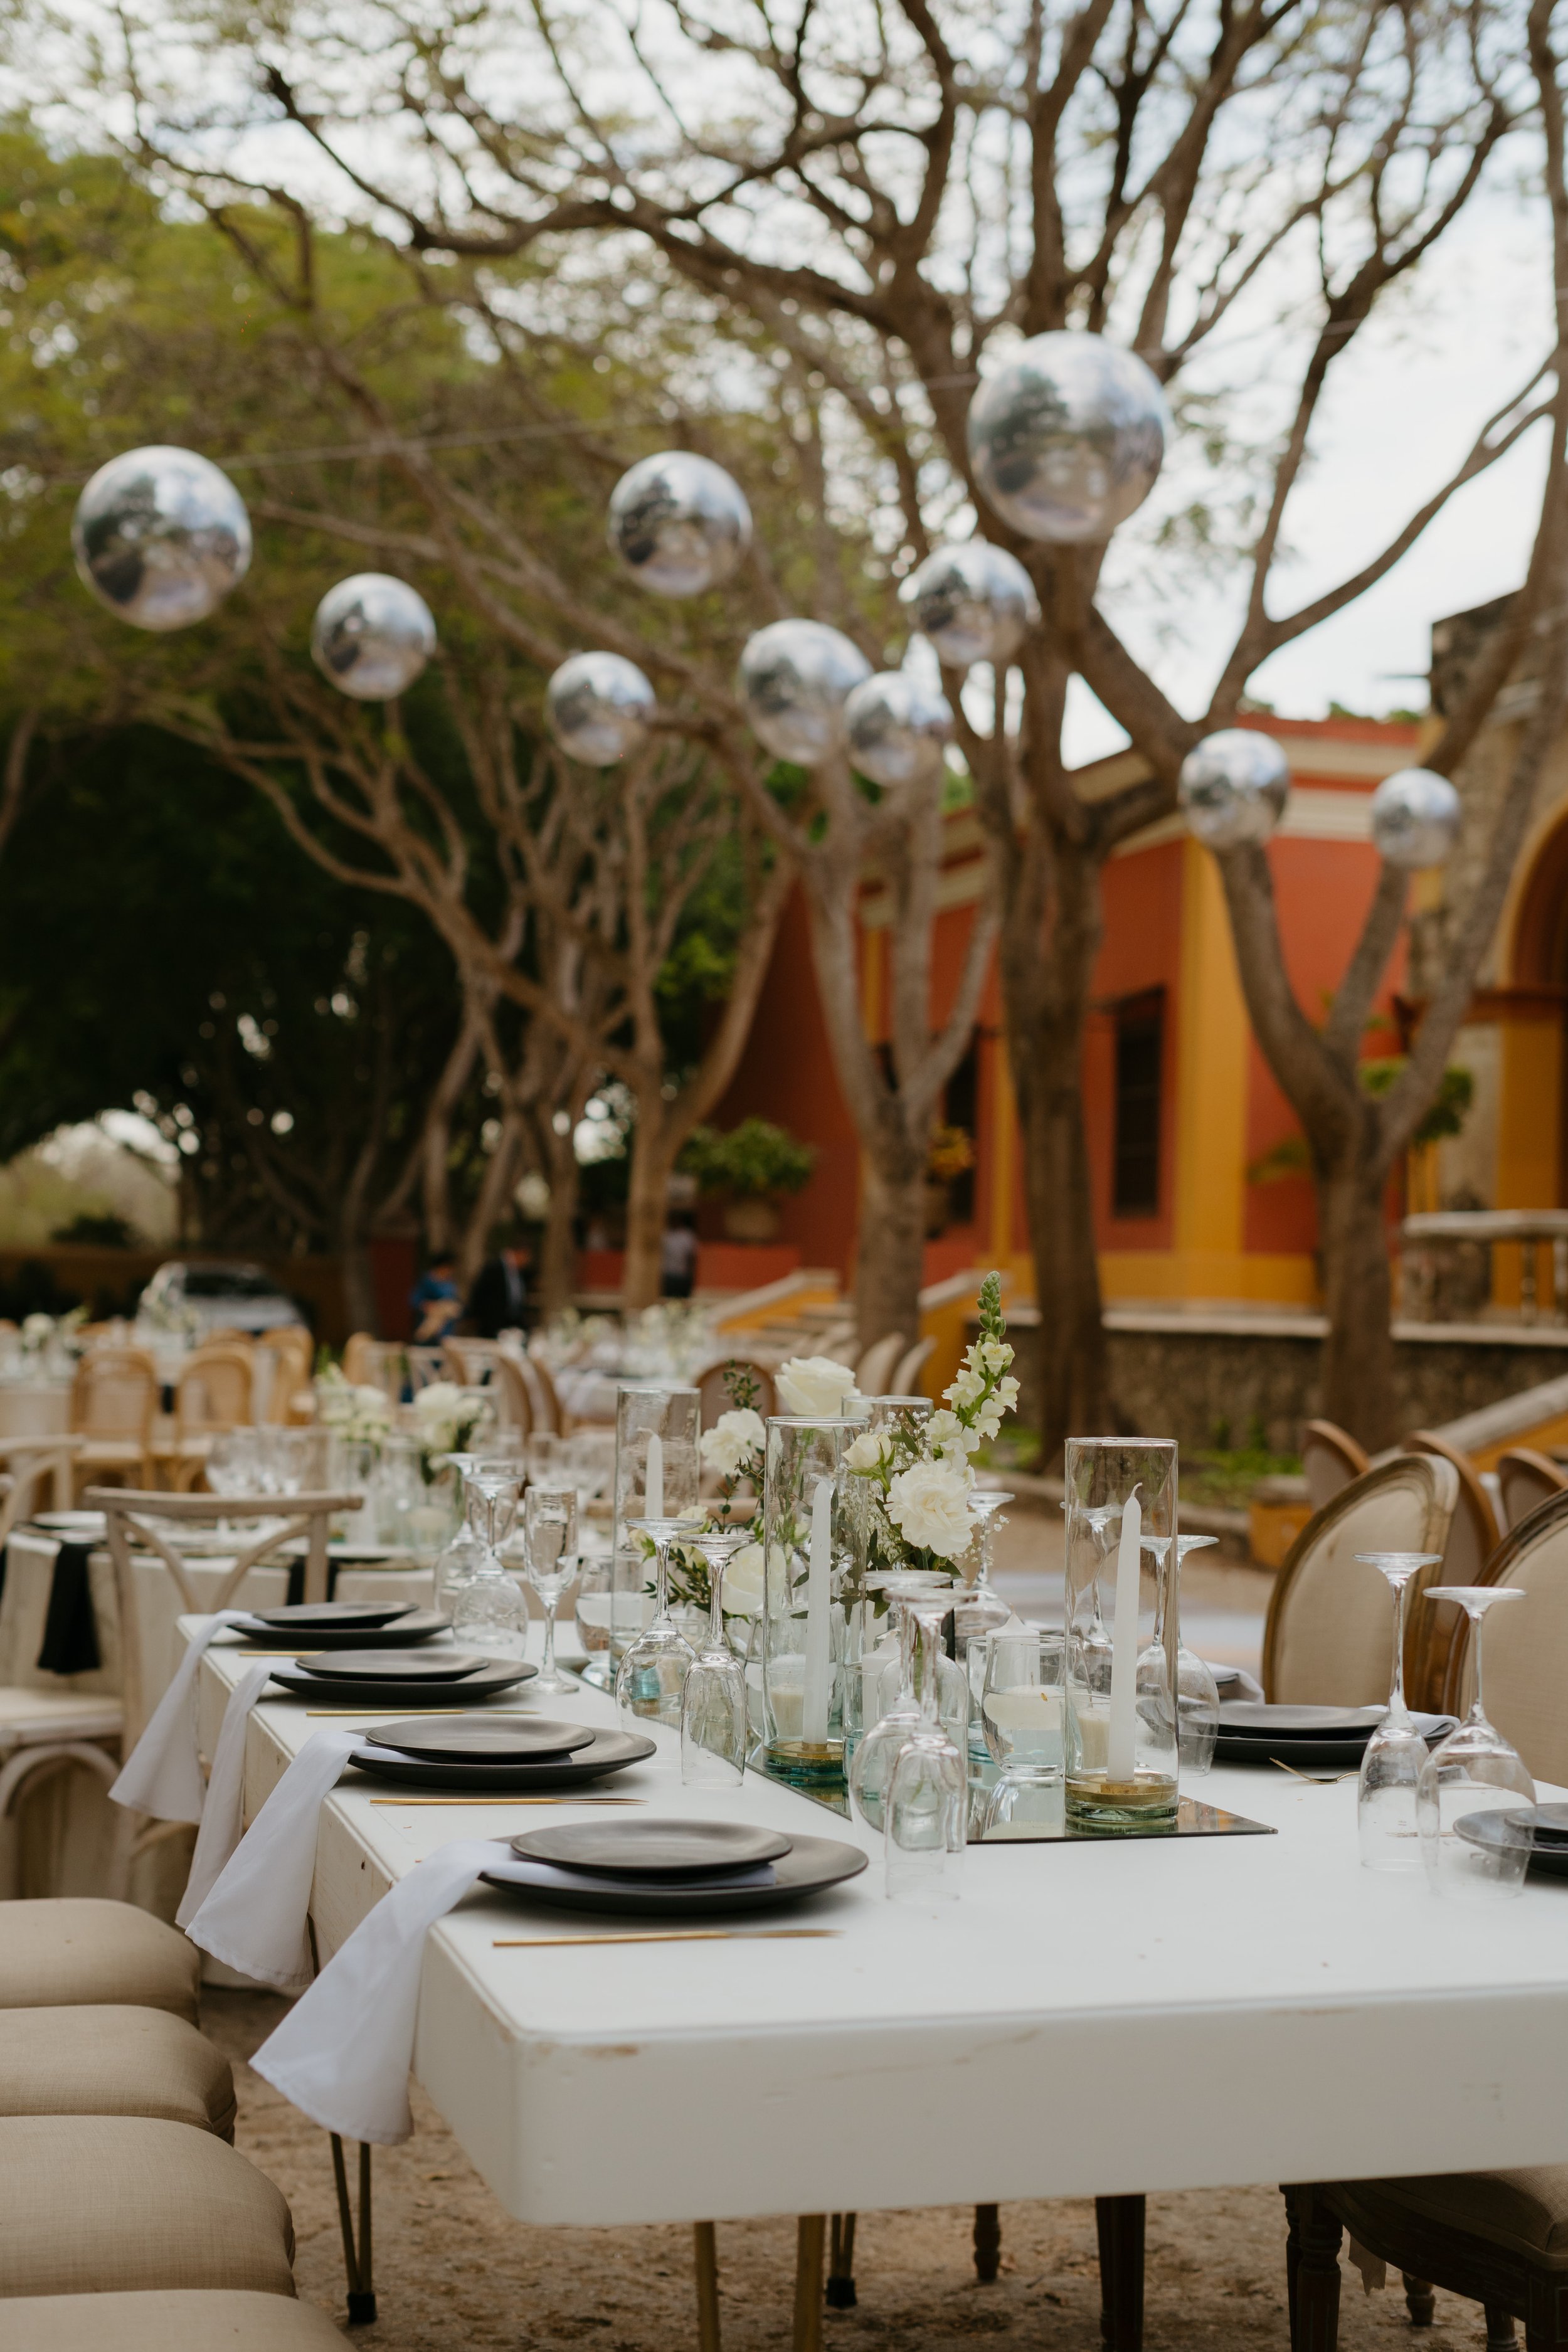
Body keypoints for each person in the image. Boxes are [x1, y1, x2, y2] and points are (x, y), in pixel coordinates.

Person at [467, 1232, 532, 1337]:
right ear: (519, 1253)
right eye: (526, 1256)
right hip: (492, 1324)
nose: (527, 1261)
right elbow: (478, 1293)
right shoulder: (494, 1268)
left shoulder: (519, 1273)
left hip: (513, 1324)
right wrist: (476, 1318)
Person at [408, 1251, 462, 1342]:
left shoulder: (450, 1283)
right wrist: (428, 1305)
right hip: (429, 1323)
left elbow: (454, 1299)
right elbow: (414, 1299)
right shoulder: (428, 1281)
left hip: (446, 1326)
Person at [660, 1214, 698, 1300]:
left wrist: (690, 1274)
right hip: (668, 1274)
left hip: (682, 1274)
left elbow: (691, 1256)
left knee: (683, 1300)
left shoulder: (687, 1235)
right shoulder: (666, 1234)